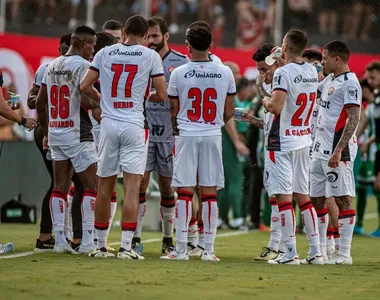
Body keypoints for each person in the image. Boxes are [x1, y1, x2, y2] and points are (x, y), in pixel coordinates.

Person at [80, 15, 167, 259]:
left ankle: (99, 246)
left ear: (125, 30)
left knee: (104, 187)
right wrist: (145, 97)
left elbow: (85, 86)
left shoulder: (105, 53)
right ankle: (126, 247)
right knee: (131, 187)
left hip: (108, 124)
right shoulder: (151, 56)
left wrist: (104, 100)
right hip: (133, 125)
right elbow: (162, 93)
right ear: (146, 35)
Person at [160, 21, 236, 261]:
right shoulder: (225, 71)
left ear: (188, 45)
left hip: (186, 134)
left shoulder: (178, 73)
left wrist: (181, 125)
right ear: (211, 44)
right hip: (212, 134)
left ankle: (181, 249)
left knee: (184, 191)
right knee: (209, 192)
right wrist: (214, 122)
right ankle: (209, 250)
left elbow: (172, 108)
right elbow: (230, 110)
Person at [256, 29, 321, 265]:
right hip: (303, 140)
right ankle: (316, 252)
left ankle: (290, 253)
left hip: (281, 141)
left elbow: (275, 107)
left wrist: (264, 96)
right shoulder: (312, 71)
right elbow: (296, 76)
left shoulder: (282, 73)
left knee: (284, 199)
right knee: (303, 197)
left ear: (284, 45)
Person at [36, 25, 100, 254]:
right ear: (84, 44)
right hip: (78, 133)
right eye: (92, 45)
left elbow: (40, 103)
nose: (94, 51)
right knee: (92, 185)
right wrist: (101, 103)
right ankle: (87, 242)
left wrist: (46, 132)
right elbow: (87, 98)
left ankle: (61, 242)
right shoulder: (84, 66)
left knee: (59, 187)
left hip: (57, 132)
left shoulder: (52, 65)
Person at [132, 17, 189, 255]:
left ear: (165, 36)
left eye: (155, 36)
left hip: (168, 133)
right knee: (140, 184)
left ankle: (167, 238)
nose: (151, 40)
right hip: (143, 130)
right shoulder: (140, 58)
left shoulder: (181, 62)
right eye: (148, 36)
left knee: (167, 187)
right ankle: (134, 237)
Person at [311, 40, 362, 265]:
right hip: (319, 148)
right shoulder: (330, 79)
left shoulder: (350, 84)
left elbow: (354, 117)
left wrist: (339, 150)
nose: (322, 62)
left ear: (337, 59)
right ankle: (321, 252)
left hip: (337, 149)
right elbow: (314, 90)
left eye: (325, 58)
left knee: (342, 198)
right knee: (316, 198)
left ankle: (344, 254)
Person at [27, 33, 77, 252]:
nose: (66, 53)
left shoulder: (78, 67)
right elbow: (32, 99)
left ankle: (56, 235)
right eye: (64, 48)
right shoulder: (47, 68)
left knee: (64, 183)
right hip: (49, 129)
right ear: (59, 48)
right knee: (61, 183)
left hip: (64, 130)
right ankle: (53, 235)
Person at [242, 43, 283, 261]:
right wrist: (253, 120)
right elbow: (270, 121)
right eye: (258, 70)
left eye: (263, 69)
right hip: (272, 147)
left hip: (284, 148)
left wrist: (260, 87)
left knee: (285, 199)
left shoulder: (281, 86)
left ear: (275, 63)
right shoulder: (276, 86)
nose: (261, 75)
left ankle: (288, 248)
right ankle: (276, 244)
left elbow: (276, 109)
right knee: (276, 198)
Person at [302, 49, 339, 259]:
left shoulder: (330, 86)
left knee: (330, 196)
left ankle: (335, 244)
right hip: (311, 144)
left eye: (311, 66)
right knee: (317, 197)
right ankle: (323, 244)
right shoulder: (311, 88)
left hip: (328, 145)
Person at [357, 61, 380, 237]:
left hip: (375, 148)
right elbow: (365, 121)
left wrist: (369, 142)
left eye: (372, 77)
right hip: (371, 150)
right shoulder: (374, 102)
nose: (369, 81)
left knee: (377, 186)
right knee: (364, 186)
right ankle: (358, 224)